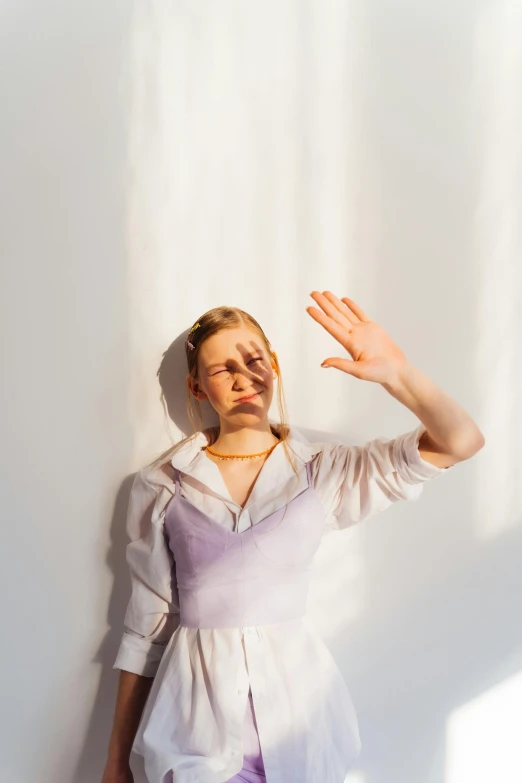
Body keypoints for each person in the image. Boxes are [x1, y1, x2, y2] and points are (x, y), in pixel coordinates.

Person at [102, 291, 485, 783]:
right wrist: (116, 761)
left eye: (253, 358)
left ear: (274, 365)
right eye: (221, 370)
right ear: (197, 388)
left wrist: (398, 375)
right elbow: (144, 633)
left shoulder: (324, 470)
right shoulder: (161, 485)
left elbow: (461, 442)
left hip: (300, 727)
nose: (244, 377)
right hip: (196, 731)